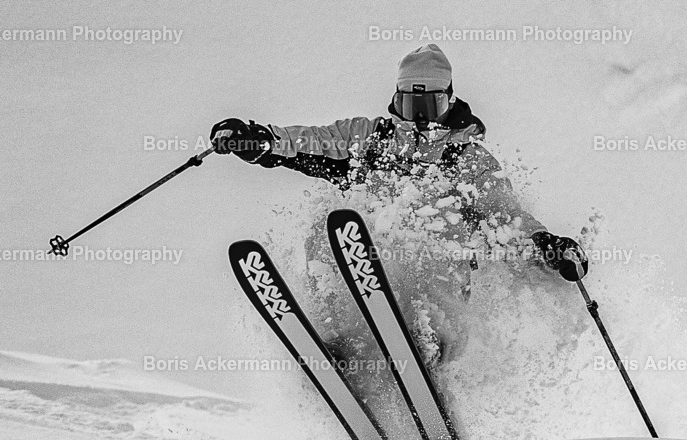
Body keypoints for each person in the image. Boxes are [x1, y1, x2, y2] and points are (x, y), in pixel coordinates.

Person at [210, 44, 588, 282]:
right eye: (411, 105)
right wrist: (259, 139)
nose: (420, 117)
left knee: (431, 230)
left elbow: (504, 217)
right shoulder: (371, 137)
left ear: (449, 102)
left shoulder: (469, 160)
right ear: (396, 100)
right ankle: (335, 332)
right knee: (326, 229)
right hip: (374, 259)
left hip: (438, 270)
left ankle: (431, 336)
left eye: (429, 106)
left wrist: (547, 244)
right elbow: (313, 141)